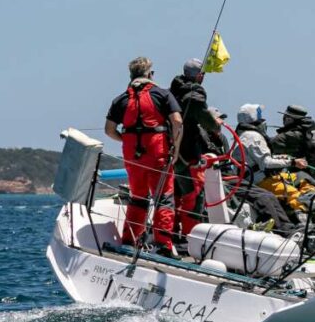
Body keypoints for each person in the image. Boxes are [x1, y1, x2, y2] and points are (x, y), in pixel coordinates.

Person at [104, 57, 183, 254]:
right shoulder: (162, 94)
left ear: (131, 76)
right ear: (149, 74)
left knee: (137, 197)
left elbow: (109, 130)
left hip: (133, 157)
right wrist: (176, 148)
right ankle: (163, 245)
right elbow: (177, 121)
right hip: (158, 153)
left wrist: (126, 139)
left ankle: (129, 240)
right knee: (164, 198)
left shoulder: (120, 99)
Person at [168, 58, 221, 236]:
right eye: (203, 74)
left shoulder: (172, 91)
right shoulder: (195, 96)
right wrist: (216, 125)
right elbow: (207, 121)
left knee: (174, 193)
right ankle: (190, 237)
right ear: (199, 75)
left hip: (171, 151)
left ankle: (170, 232)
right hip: (188, 152)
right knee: (194, 195)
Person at [232, 104, 301, 231]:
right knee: (293, 194)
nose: (262, 117)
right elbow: (266, 163)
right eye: (259, 114)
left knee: (301, 179)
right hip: (259, 181)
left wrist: (283, 158)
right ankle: (304, 222)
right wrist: (292, 162)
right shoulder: (252, 136)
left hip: (255, 179)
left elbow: (261, 159)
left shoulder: (244, 135)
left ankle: (296, 221)